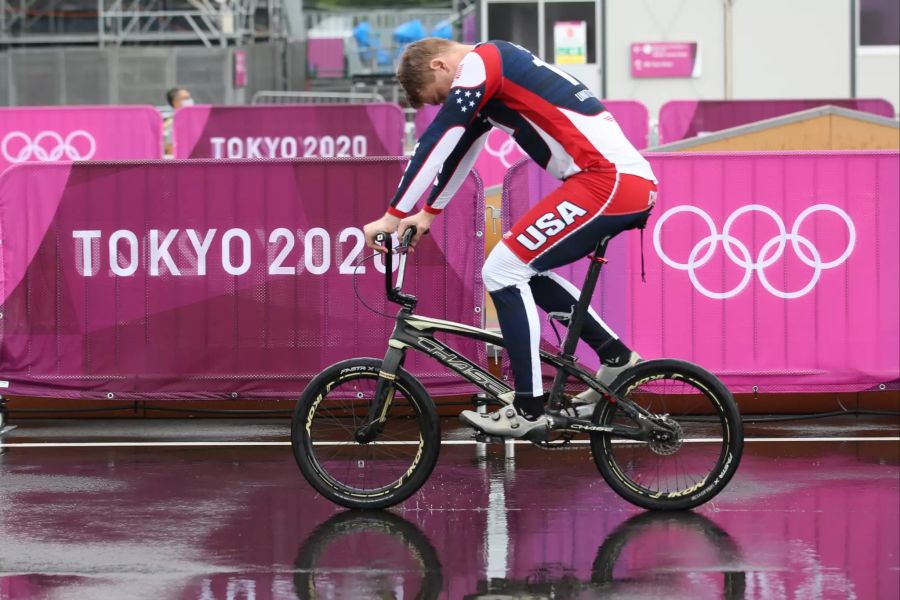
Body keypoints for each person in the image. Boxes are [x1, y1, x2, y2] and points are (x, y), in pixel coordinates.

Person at [362, 38, 657, 439]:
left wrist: (390, 215)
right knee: (521, 273)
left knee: (501, 271)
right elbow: (460, 151)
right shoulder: (494, 72)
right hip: (613, 181)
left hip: (606, 181)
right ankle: (616, 357)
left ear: (439, 65)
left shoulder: (484, 61)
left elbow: (440, 137)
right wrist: (426, 212)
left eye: (444, 94)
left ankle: (528, 408)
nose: (452, 100)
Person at [163, 87, 194, 157]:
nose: (189, 101)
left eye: (189, 98)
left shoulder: (195, 120)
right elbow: (169, 149)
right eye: (185, 98)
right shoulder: (171, 123)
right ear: (175, 102)